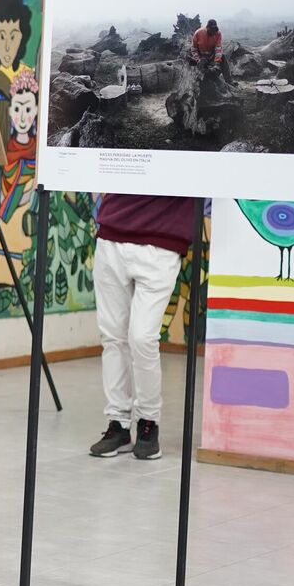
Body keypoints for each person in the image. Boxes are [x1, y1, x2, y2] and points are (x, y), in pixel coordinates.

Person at [88, 193, 201, 461]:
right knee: (113, 337)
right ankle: (118, 423)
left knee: (142, 338)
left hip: (163, 241)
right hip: (112, 234)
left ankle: (149, 422)